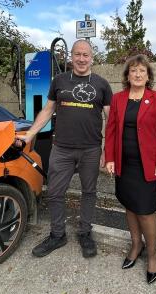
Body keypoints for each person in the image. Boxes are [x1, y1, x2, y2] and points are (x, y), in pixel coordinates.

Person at [16, 39, 112, 258]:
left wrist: (108, 149)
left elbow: (110, 118)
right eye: (77, 54)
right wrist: (30, 133)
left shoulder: (102, 84)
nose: (81, 59)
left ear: (92, 58)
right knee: (55, 192)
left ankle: (85, 232)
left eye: (85, 55)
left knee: (89, 192)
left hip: (91, 149)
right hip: (62, 148)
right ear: (71, 57)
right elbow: (48, 110)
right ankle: (57, 235)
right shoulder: (58, 80)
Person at [104, 54, 156, 284]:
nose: (138, 74)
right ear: (127, 75)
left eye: (142, 70)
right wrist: (109, 158)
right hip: (124, 163)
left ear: (148, 75)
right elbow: (111, 130)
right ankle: (136, 245)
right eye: (133, 70)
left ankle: (153, 254)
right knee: (130, 205)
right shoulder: (118, 99)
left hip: (148, 165)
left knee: (146, 210)